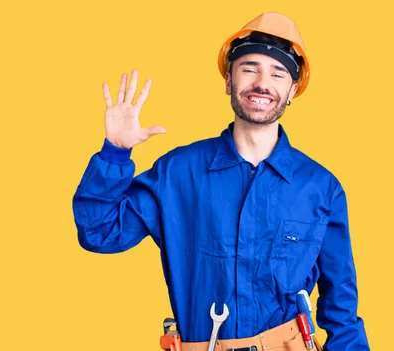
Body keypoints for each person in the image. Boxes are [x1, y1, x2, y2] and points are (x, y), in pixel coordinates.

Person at [72, 12, 370, 351]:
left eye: (278, 73)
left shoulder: (320, 187)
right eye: (249, 68)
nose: (262, 82)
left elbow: (341, 306)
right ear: (229, 81)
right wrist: (115, 153)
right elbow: (100, 233)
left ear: (292, 91)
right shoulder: (178, 173)